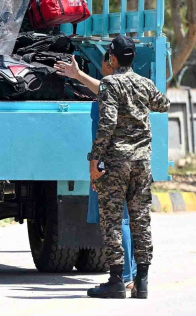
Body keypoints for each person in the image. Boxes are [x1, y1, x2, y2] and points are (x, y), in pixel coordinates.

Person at [64, 35, 169, 299]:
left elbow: (107, 123)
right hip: (141, 162)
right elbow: (163, 104)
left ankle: (116, 281)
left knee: (112, 222)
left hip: (116, 162)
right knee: (140, 220)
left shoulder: (110, 84)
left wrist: (94, 159)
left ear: (112, 59)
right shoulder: (144, 84)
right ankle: (142, 282)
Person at [58, 51, 139, 290]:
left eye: (104, 63)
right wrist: (79, 74)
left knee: (119, 221)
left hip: (113, 164)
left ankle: (124, 277)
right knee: (131, 220)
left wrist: (97, 165)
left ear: (110, 62)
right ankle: (135, 277)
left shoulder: (111, 90)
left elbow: (106, 132)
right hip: (135, 161)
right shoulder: (137, 86)